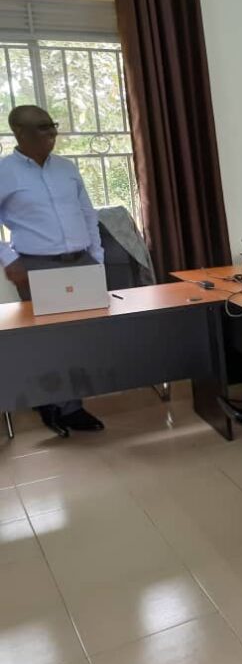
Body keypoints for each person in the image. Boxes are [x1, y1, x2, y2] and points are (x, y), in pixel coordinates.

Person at [0, 105, 105, 437]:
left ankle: (73, 405)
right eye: (43, 127)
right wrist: (9, 260)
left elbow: (87, 214)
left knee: (82, 338)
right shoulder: (5, 172)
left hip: (80, 261)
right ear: (19, 132)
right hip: (37, 266)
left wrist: (96, 256)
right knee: (47, 340)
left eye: (52, 125)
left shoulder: (66, 168)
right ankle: (52, 405)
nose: (52, 132)